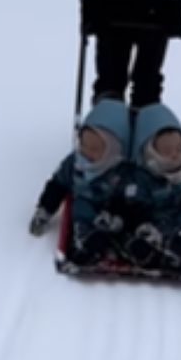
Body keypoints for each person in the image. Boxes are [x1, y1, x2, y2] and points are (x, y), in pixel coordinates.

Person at [28, 99, 132, 266]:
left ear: (114, 149)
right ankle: (85, 240)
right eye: (84, 145)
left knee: (129, 214)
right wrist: (45, 209)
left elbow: (132, 196)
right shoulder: (75, 162)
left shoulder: (122, 168)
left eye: (96, 149)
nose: (88, 153)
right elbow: (57, 185)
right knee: (81, 209)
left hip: (114, 208)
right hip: (86, 203)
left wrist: (118, 214)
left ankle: (125, 244)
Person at [121, 102, 181, 272]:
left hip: (179, 217)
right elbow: (132, 206)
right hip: (150, 221)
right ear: (151, 151)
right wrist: (141, 222)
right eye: (167, 150)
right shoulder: (141, 175)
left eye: (179, 148)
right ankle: (148, 250)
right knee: (132, 232)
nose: (175, 155)